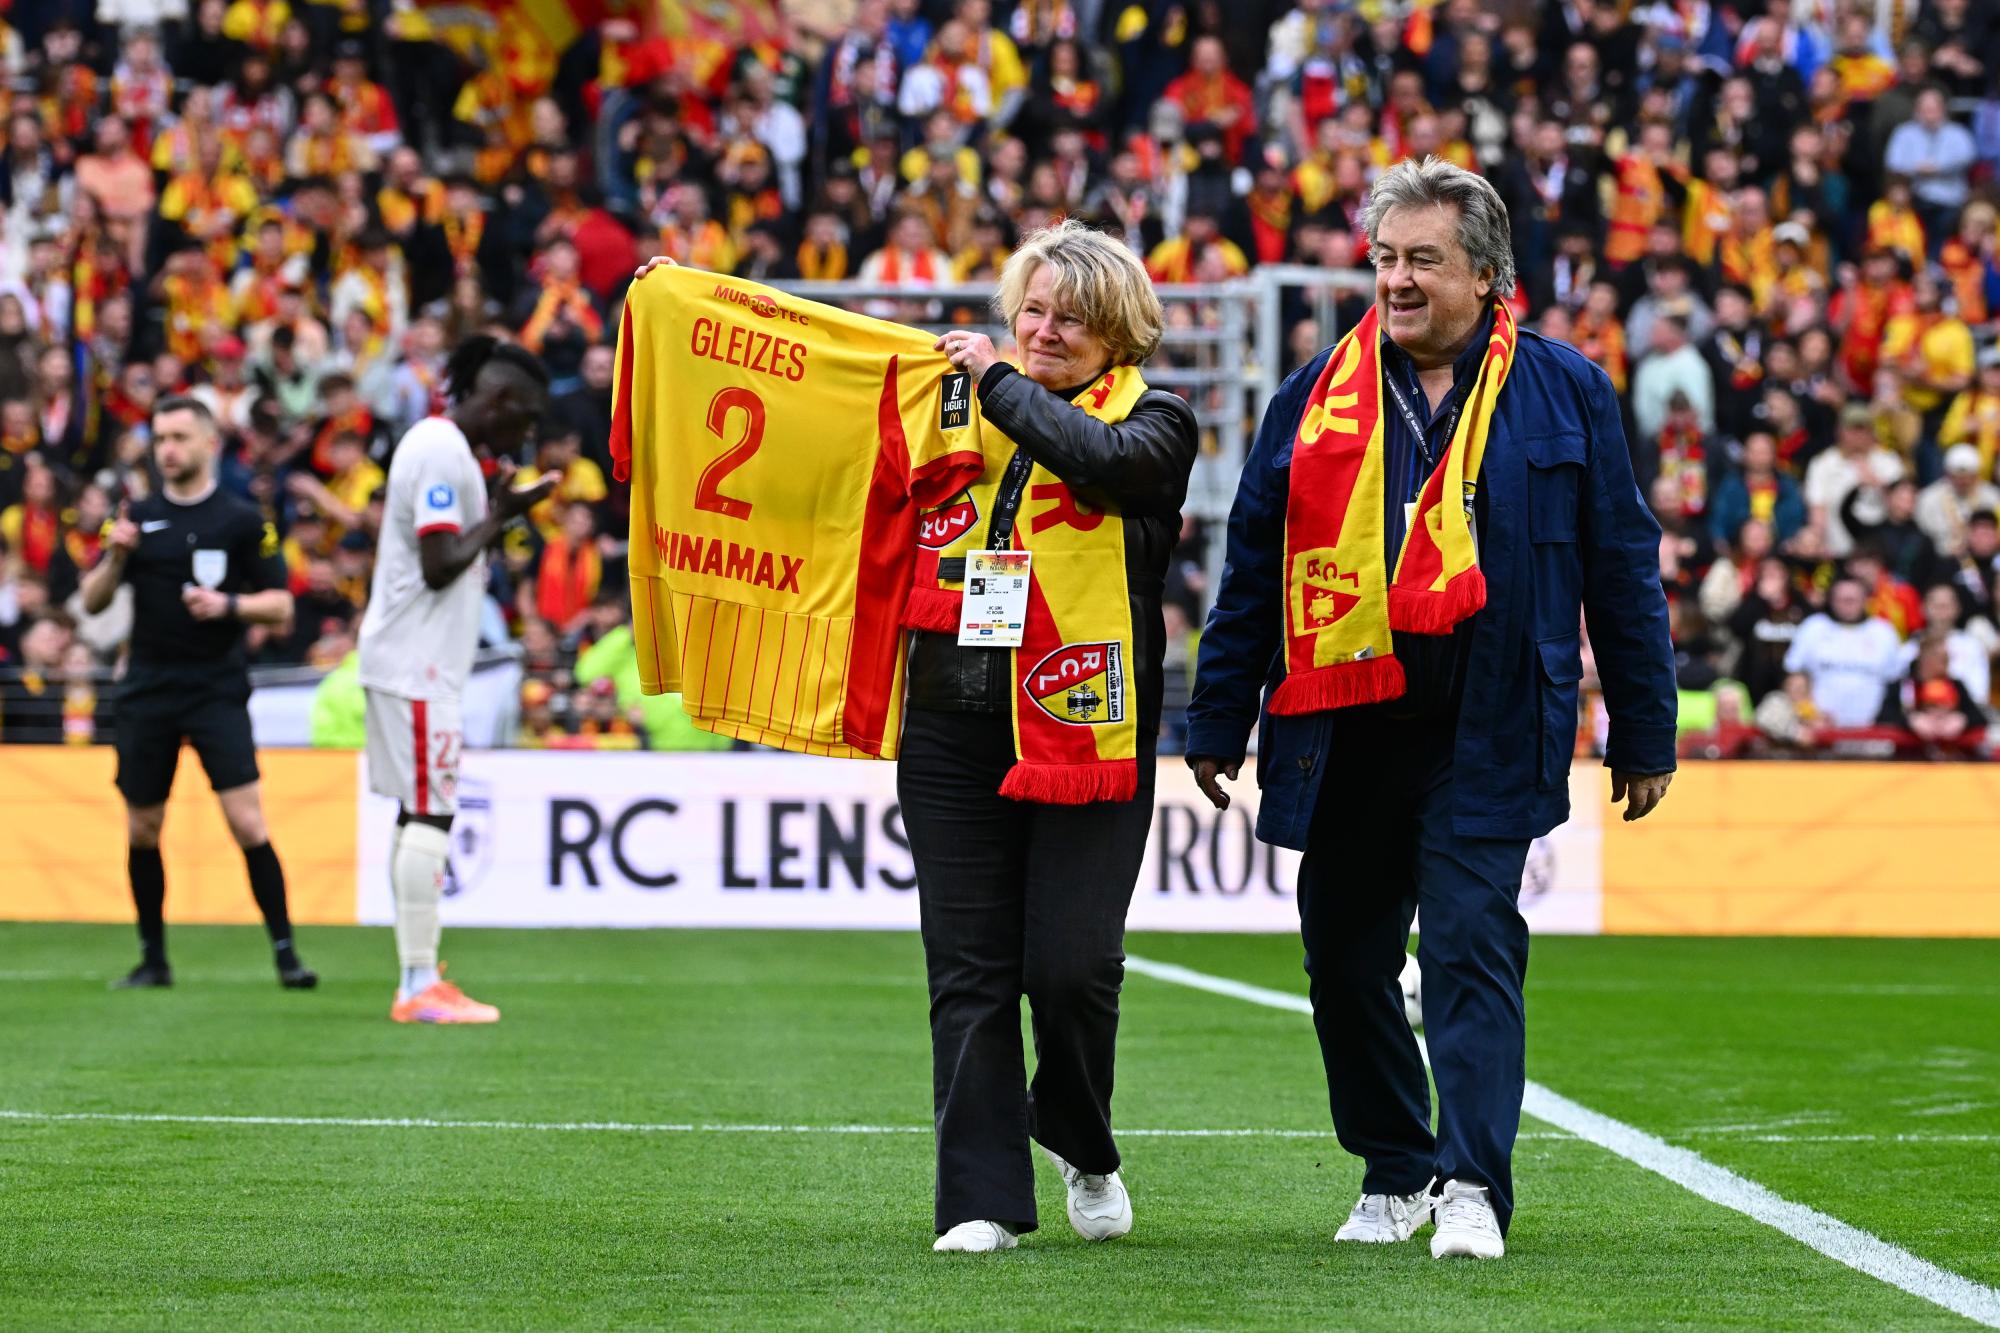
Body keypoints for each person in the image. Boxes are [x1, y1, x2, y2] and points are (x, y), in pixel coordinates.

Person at [1186, 158, 1676, 1260]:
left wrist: (1643, 728)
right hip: (1341, 723)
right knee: (1343, 959)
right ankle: (1394, 1165)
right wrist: (1217, 718)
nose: (1396, 281)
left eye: (1422, 260)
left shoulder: (1566, 391)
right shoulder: (1312, 396)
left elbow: (1621, 565)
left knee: (1466, 946)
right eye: (1385, 259)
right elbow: (1250, 564)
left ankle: (1468, 1183)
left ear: (1487, 275)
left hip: (1489, 721)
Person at [915, 221, 1197, 1252]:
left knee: (1072, 968)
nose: (1042, 330)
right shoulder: (957, 399)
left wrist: (994, 381)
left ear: (1116, 333)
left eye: (1069, 317)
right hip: (950, 715)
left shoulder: (1157, 424)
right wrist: (691, 315)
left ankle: (1080, 1138)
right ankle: (981, 1200)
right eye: (1030, 310)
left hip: (1089, 724)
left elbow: (1095, 460)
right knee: (969, 969)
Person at [78, 397, 315, 991]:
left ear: (210, 443)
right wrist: (116, 555)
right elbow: (92, 601)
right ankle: (152, 959)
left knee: (247, 823)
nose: (168, 450)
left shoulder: (242, 518)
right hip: (148, 690)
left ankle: (286, 955)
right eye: (160, 439)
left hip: (215, 689)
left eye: (179, 437)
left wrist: (229, 606)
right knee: (142, 828)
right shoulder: (134, 518)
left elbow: (282, 604)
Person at [356, 336, 553, 1024]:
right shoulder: (441, 450)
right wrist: (502, 516)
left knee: (419, 811)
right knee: (433, 811)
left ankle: (418, 971)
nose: (525, 435)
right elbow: (440, 560)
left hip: (411, 658)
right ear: (498, 401)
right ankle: (416, 983)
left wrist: (494, 511)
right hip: (418, 664)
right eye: (523, 419)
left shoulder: (443, 448)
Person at [1782, 576, 1904, 728]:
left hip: (1871, 733)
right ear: (1831, 600)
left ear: (1866, 600)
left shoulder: (1883, 632)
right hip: (1819, 730)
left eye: (1852, 599)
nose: (1847, 605)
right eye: (1841, 599)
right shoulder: (1814, 627)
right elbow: (1794, 677)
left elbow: (1894, 683)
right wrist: (1808, 713)